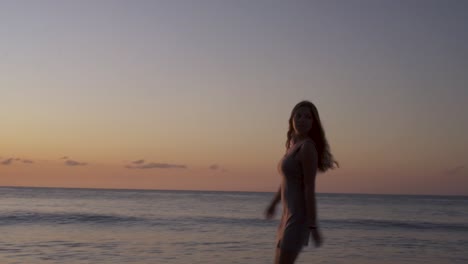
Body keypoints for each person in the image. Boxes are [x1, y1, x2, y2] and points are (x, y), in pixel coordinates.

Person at [265, 100, 338, 264]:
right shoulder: (292, 145)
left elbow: (309, 187)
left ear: (314, 123)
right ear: (291, 119)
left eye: (308, 117)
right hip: (286, 216)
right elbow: (285, 181)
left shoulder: (307, 148)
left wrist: (313, 226)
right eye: (298, 116)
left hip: (298, 218)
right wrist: (274, 204)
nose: (302, 120)